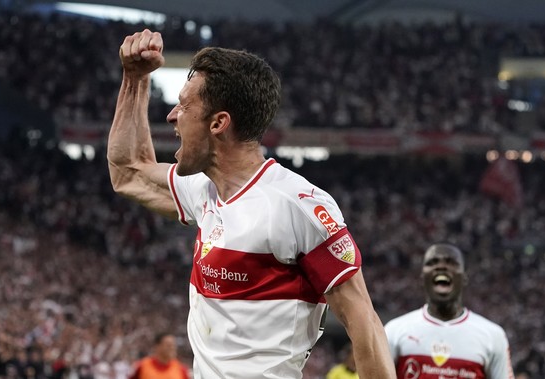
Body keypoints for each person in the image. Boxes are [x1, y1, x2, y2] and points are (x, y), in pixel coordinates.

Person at [107, 29, 396, 379]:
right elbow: (128, 172)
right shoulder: (203, 190)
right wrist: (135, 79)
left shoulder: (297, 204)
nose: (172, 116)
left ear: (218, 123)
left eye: (184, 105)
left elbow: (363, 322)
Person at [384, 243, 514, 379]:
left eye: (451, 262)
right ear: (422, 278)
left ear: (464, 277)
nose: (441, 267)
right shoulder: (394, 331)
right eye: (432, 262)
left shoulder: (493, 336)